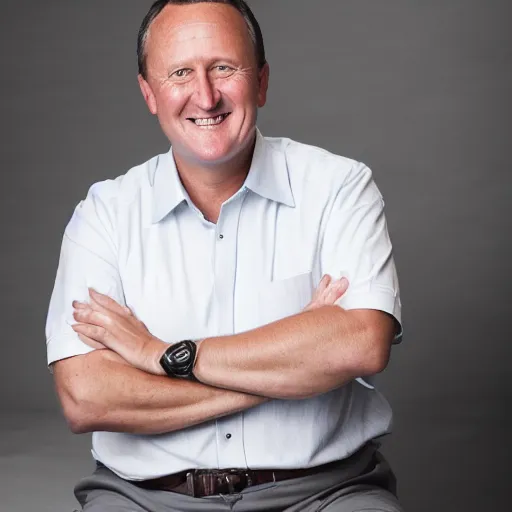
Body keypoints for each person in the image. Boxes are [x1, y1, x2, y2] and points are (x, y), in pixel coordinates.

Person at [46, 1, 404, 510]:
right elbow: (87, 397)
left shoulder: (339, 187)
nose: (206, 95)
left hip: (325, 493)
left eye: (223, 68)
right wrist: (288, 369)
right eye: (180, 73)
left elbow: (362, 345)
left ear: (260, 82)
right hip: (145, 500)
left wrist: (158, 355)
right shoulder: (103, 214)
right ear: (149, 93)